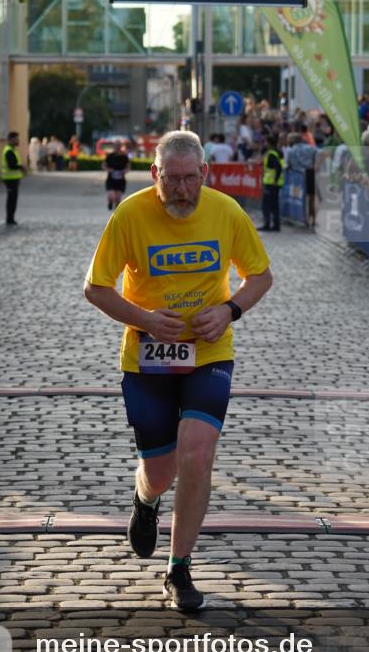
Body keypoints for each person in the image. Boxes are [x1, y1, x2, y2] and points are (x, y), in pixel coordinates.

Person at [84, 131, 272, 611]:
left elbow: (260, 276)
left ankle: (179, 567)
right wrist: (146, 320)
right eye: (173, 180)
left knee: (197, 453)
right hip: (146, 357)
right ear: (155, 175)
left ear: (205, 174)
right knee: (160, 470)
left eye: (192, 179)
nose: (183, 189)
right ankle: (144, 502)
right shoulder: (130, 214)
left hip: (209, 352)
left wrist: (230, 310)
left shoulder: (227, 212)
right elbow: (96, 289)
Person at [258, 133, 284, 232]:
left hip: (271, 184)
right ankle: (276, 225)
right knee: (274, 205)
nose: (264, 144)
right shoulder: (278, 152)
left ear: (268, 143)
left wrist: (275, 180)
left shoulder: (272, 154)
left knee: (267, 205)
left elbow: (278, 167)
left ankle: (267, 224)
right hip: (275, 184)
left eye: (265, 142)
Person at [1, 131, 25, 226]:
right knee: (11, 200)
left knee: (13, 199)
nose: (18, 141)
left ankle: (11, 218)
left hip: (13, 178)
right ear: (11, 140)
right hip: (10, 178)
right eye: (16, 139)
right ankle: (9, 219)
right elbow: (12, 165)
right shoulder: (9, 151)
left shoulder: (12, 150)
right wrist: (21, 167)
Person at [103, 139, 130, 211]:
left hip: (121, 180)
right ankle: (110, 202)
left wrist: (124, 171)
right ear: (114, 146)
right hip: (111, 180)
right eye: (116, 145)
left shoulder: (124, 157)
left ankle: (115, 214)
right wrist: (109, 170)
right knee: (112, 196)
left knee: (118, 198)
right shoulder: (110, 156)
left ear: (121, 146)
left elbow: (128, 168)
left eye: (119, 145)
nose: (117, 147)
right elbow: (103, 166)